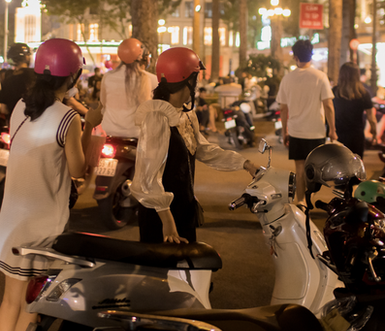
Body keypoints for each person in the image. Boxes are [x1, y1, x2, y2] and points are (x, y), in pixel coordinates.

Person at [0, 38, 102, 331]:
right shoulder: (68, 118)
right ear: (73, 76)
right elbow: (78, 170)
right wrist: (92, 126)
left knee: (10, 302)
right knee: (32, 309)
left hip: (10, 218)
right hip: (41, 224)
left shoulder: (20, 107)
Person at [130, 47, 259, 244]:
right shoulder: (157, 117)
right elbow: (147, 177)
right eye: (195, 78)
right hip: (162, 219)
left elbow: (202, 149)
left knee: (183, 270)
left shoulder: (185, 113)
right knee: (162, 273)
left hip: (182, 208)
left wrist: (246, 164)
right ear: (188, 80)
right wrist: (167, 220)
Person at [276, 39, 337, 202]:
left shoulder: (287, 79)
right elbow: (328, 105)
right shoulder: (320, 77)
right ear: (311, 55)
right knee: (316, 169)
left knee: (300, 169)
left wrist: (284, 131)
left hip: (296, 131)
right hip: (316, 131)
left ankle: (301, 202)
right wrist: (332, 130)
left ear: (295, 57)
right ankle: (311, 198)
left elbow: (283, 108)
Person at [100, 38, 156, 138]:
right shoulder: (143, 78)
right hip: (134, 133)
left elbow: (103, 103)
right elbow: (145, 108)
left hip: (108, 130)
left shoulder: (108, 76)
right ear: (140, 55)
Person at [333, 62, 377, 157]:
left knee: (339, 163)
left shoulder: (335, 92)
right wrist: (374, 132)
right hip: (356, 134)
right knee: (356, 163)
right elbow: (370, 116)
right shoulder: (363, 93)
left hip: (338, 134)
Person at [0, 43, 36, 125]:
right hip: (36, 123)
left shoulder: (8, 80)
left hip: (15, 125)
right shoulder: (37, 76)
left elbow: (4, 109)